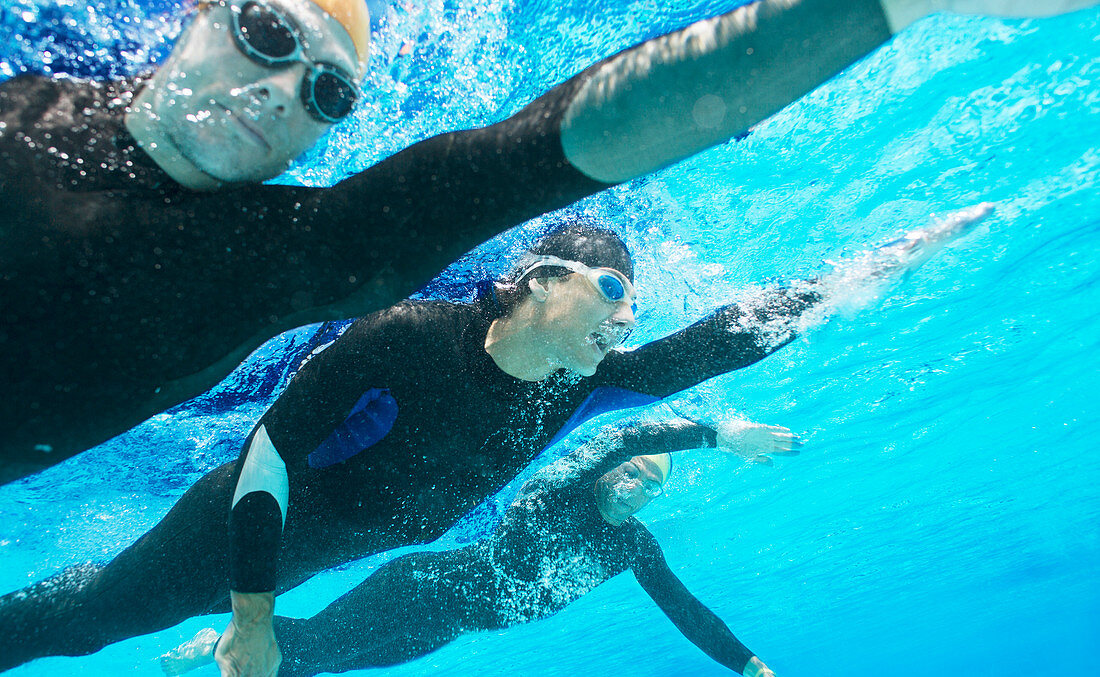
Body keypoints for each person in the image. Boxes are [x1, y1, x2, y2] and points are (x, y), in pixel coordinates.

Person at [1, 0, 1088, 483]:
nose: (280, 88)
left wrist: (886, 9)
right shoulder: (19, 115)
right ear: (199, 10)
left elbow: (544, 149)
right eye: (267, 33)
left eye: (324, 88)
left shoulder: (303, 256)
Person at [0, 205, 990, 676]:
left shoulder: (593, 381)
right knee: (98, 614)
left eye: (632, 301)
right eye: (610, 290)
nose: (626, 313)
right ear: (533, 280)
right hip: (251, 515)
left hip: (331, 549)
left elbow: (723, 334)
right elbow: (268, 454)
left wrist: (874, 270)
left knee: (104, 613)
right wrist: (252, 618)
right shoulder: (403, 335)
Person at [159, 417, 797, 677]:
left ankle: (218, 650)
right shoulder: (558, 492)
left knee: (323, 662)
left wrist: (748, 666)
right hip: (423, 587)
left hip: (452, 623)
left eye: (649, 486)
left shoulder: (634, 546)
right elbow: (618, 438)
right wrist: (714, 435)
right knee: (317, 647)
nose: (632, 486)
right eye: (630, 471)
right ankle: (210, 646)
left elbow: (686, 609)